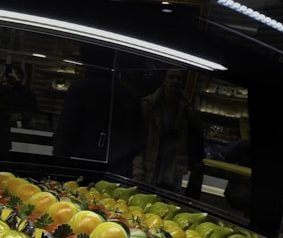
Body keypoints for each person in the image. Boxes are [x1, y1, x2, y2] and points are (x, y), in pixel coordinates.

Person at [52, 45, 144, 176]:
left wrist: (58, 170)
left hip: (81, 168)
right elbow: (138, 139)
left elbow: (64, 135)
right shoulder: (129, 95)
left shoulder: (80, 89)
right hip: (117, 172)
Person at [132, 69, 205, 198]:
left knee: (168, 202)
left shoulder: (186, 108)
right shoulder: (150, 105)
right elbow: (138, 139)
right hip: (151, 162)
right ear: (164, 80)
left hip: (173, 165)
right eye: (171, 77)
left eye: (179, 78)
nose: (175, 81)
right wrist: (138, 169)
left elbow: (196, 131)